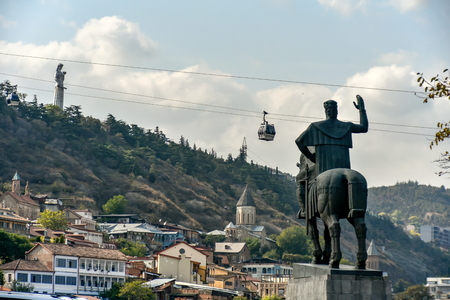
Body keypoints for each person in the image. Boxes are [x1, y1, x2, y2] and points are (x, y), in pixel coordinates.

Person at [295, 95, 368, 217]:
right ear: (336, 111)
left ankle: (304, 210)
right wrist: (362, 110)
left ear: (326, 111)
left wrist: (312, 156)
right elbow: (364, 128)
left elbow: (299, 141)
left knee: (299, 179)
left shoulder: (316, 127)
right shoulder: (346, 126)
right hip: (344, 166)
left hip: (322, 167)